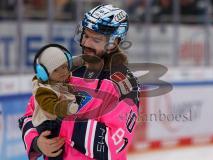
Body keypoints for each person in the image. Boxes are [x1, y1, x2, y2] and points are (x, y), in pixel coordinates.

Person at [19, 4, 139, 160]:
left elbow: (112, 145)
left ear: (114, 42)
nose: (86, 43)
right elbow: (30, 114)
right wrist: (36, 142)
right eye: (86, 35)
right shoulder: (66, 68)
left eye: (96, 39)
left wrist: (60, 121)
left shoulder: (123, 84)